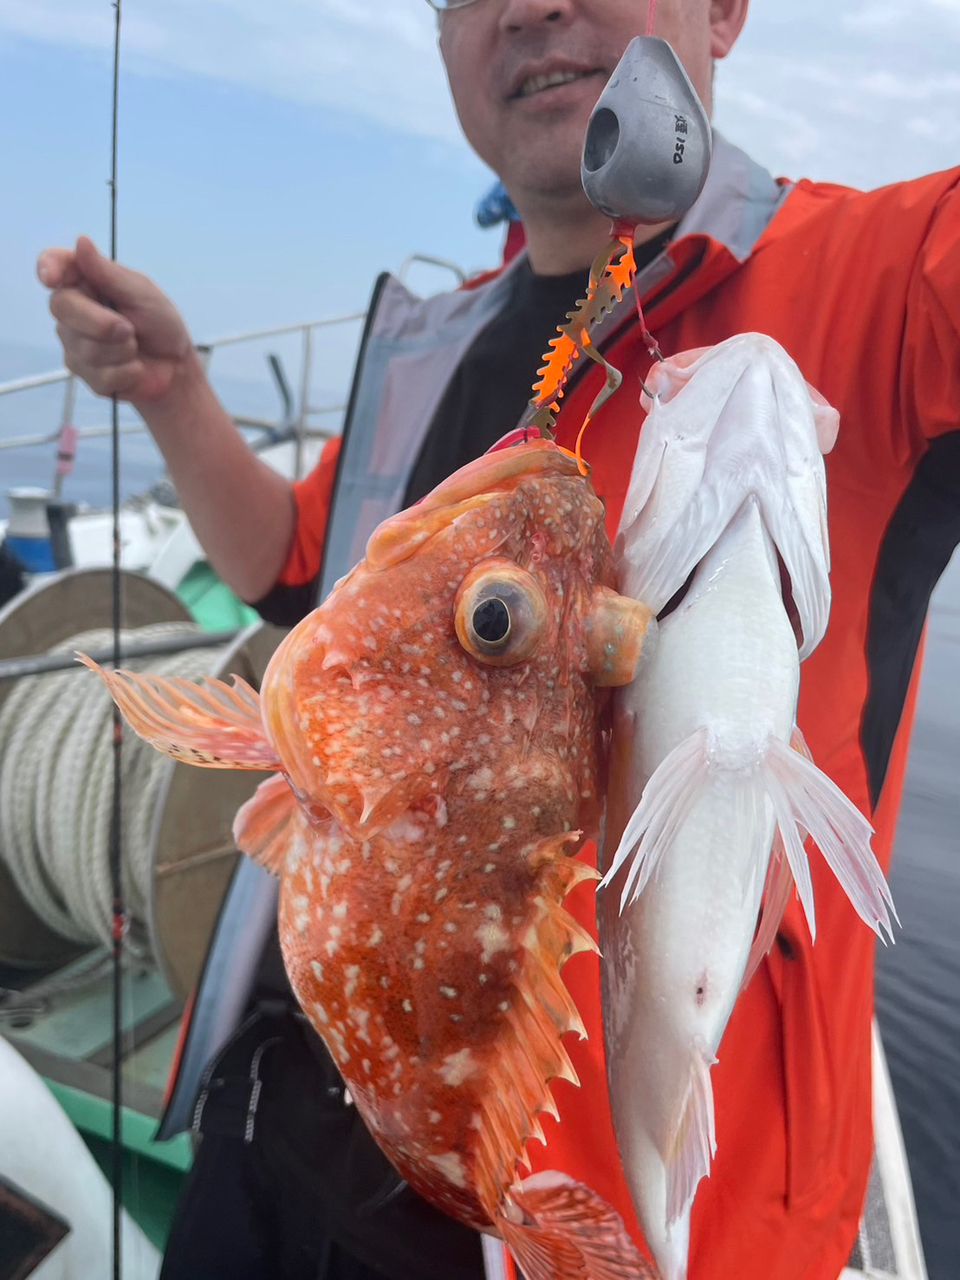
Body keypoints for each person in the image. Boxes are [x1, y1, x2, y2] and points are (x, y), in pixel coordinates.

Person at [37, 1, 960, 1277]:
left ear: (726, 9)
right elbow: (294, 570)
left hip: (618, 1219)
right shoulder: (438, 337)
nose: (527, 5)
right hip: (277, 1113)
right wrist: (174, 388)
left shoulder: (885, 283)